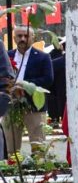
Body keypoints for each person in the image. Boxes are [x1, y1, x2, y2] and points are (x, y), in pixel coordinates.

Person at [3, 26, 53, 154]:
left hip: (34, 107)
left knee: (38, 146)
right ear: (14, 38)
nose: (23, 39)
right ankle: (12, 169)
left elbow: (48, 80)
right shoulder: (6, 56)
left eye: (26, 36)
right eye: (19, 36)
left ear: (33, 38)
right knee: (10, 147)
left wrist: (24, 86)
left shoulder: (43, 57)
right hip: (10, 105)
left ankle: (39, 168)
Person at [48, 37, 66, 123]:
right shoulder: (63, 57)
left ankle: (54, 119)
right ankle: (62, 118)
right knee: (62, 101)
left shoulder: (49, 55)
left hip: (51, 83)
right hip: (61, 82)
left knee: (53, 103)